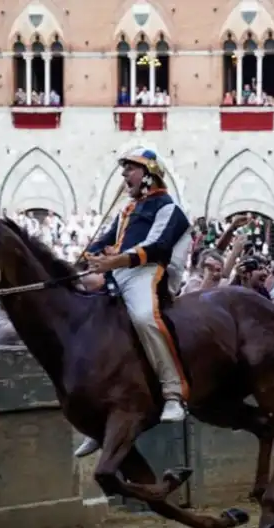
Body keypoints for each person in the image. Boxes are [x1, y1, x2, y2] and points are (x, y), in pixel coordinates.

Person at [75, 149, 192, 458]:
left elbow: (157, 247)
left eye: (130, 169)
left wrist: (114, 261)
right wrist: (90, 255)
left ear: (148, 174)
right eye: (124, 169)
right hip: (121, 271)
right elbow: (107, 238)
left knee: (143, 318)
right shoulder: (128, 210)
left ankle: (173, 393)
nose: (125, 175)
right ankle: (98, 423)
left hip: (148, 273)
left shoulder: (170, 208)